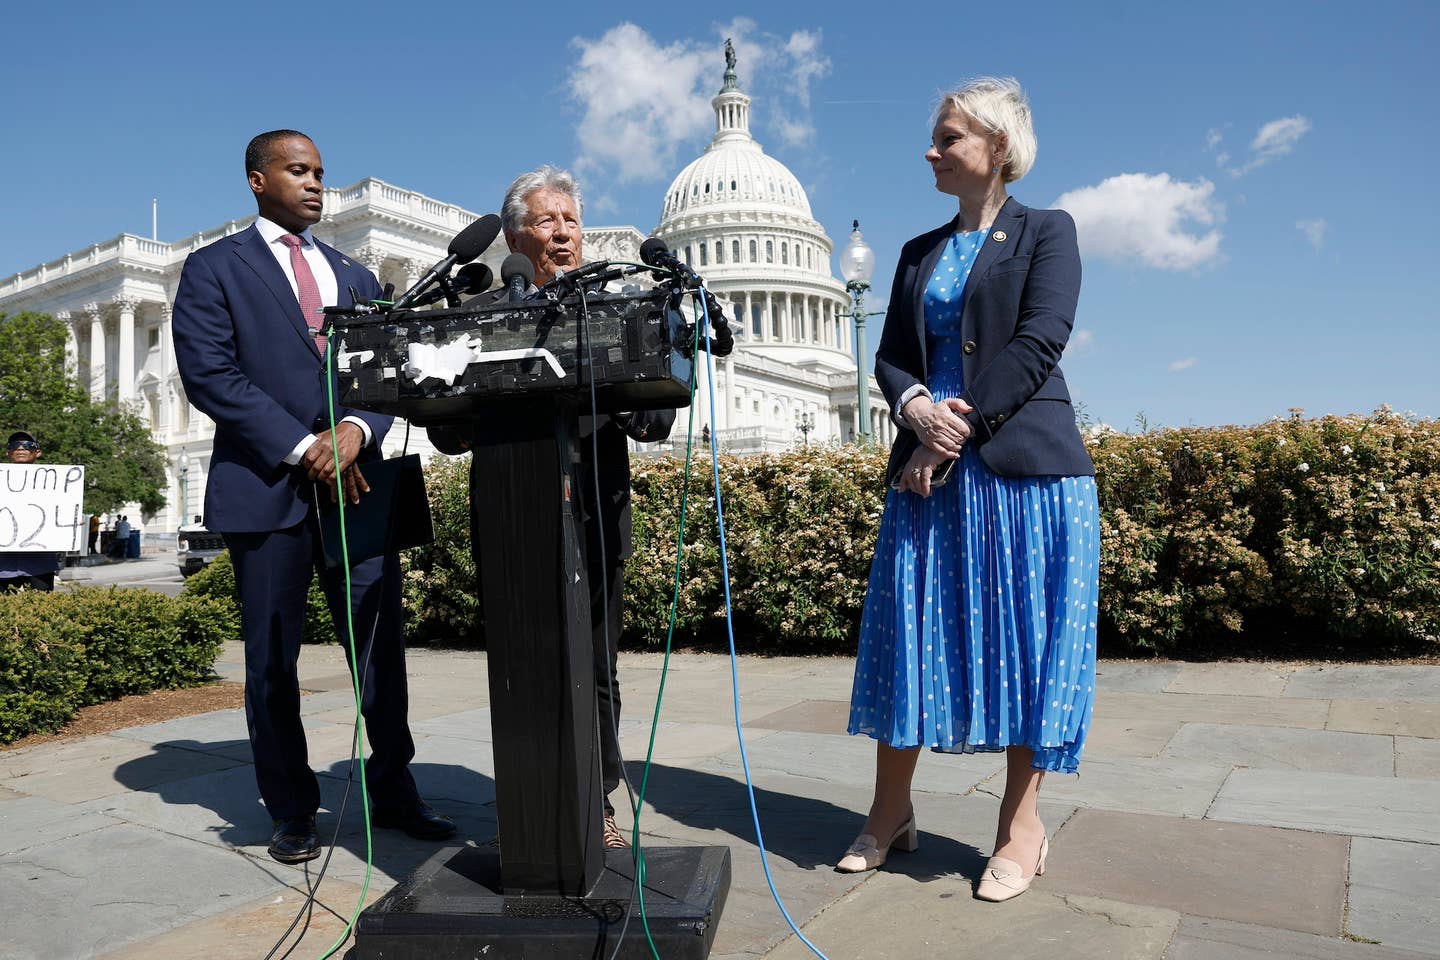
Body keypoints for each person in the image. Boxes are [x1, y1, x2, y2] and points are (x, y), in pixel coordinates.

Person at [839, 78, 1099, 903]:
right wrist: (915, 406)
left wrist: (957, 430)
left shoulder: (1047, 232)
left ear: (997, 145)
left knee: (1027, 647)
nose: (932, 150)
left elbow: (1039, 341)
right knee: (907, 635)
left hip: (1022, 469)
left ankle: (1022, 828)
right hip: (928, 465)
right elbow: (889, 357)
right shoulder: (917, 252)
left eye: (948, 136)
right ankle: (889, 812)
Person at [172, 129, 453, 865]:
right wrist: (305, 447)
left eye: (320, 173)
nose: (315, 184)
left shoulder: (357, 275)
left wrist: (357, 429)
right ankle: (291, 808)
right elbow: (211, 376)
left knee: (379, 654)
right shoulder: (212, 270)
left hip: (359, 490)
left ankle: (393, 790)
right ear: (257, 180)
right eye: (297, 171)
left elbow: (390, 372)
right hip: (265, 492)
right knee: (271, 663)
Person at [429, 165, 674, 849]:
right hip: (512, 519)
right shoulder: (477, 314)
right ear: (513, 236)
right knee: (521, 665)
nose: (563, 232)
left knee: (595, 668)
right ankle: (531, 806)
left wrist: (627, 382)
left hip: (595, 511)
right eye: (547, 219)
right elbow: (445, 430)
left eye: (571, 219)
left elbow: (656, 426)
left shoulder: (613, 308)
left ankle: (595, 802)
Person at [0, 431, 62, 592]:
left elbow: (63, 510)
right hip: (3, 564)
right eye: (14, 445)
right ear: (8, 452)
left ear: (38, 452)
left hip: (40, 563)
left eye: (28, 445)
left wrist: (71, 519)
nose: (20, 448)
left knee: (41, 611)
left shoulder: (55, 482)